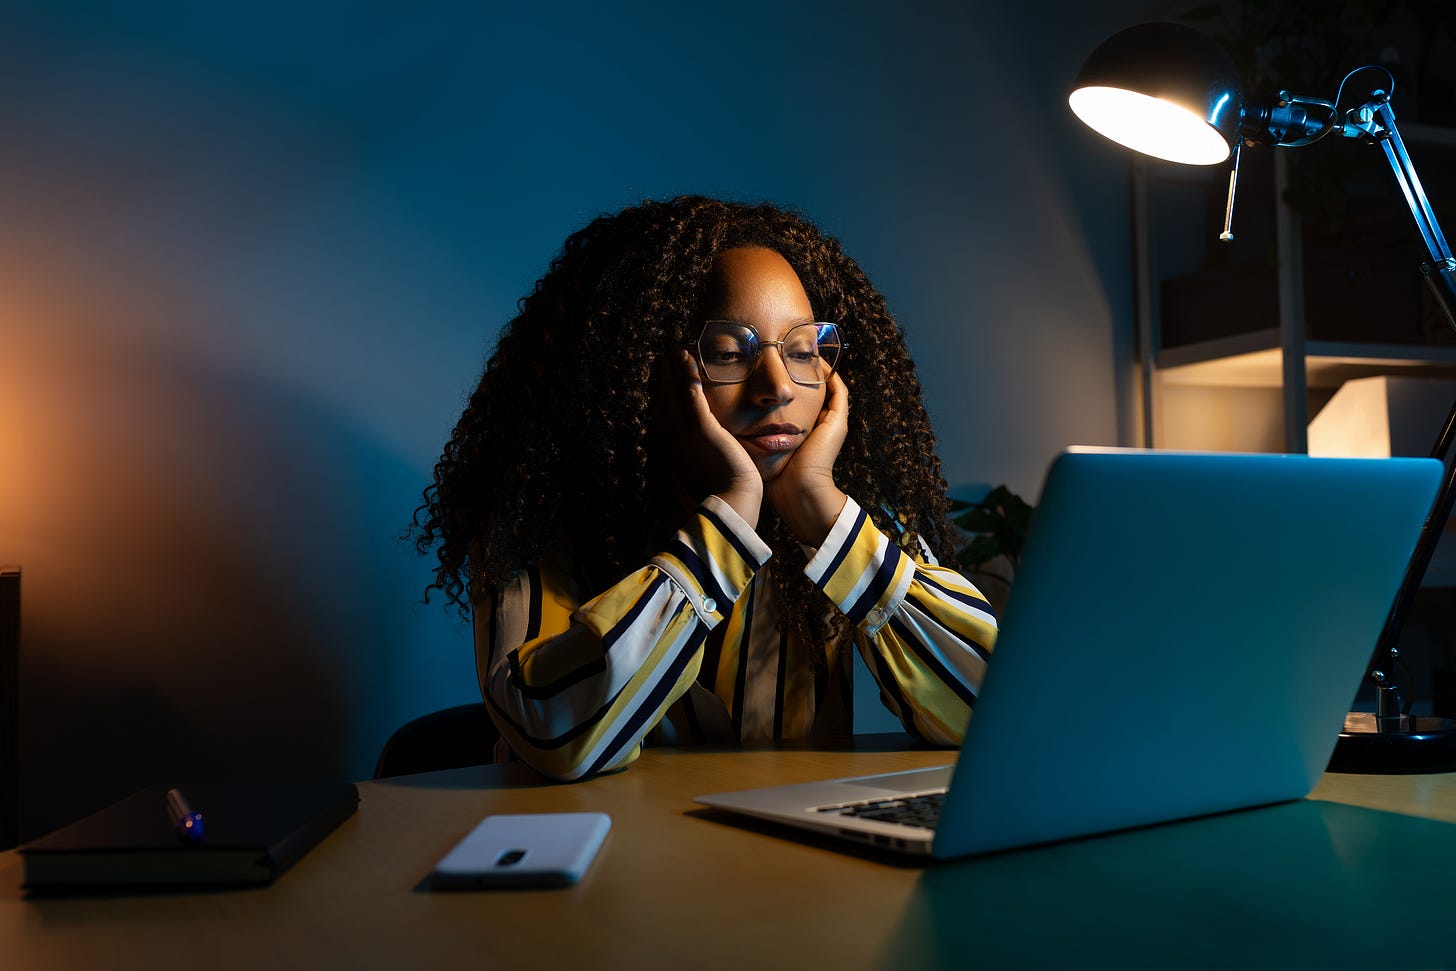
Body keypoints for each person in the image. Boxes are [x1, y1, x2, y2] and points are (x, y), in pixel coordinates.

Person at [412, 195, 997, 780]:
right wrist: (727, 524)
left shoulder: (846, 520)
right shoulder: (540, 523)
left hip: (784, 842)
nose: (778, 387)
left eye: (803, 351)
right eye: (729, 353)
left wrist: (823, 515)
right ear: (641, 373)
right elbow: (554, 737)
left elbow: (995, 717)